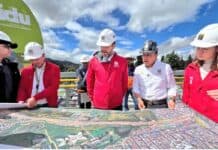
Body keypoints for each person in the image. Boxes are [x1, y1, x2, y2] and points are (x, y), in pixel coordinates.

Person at [182, 23, 218, 122]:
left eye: (205, 48)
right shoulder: (190, 69)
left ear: (216, 48)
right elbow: (185, 96)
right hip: (193, 122)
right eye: (198, 48)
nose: (200, 52)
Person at [86, 28, 128, 110]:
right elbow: (90, 82)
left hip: (116, 103)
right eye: (102, 46)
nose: (103, 49)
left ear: (114, 45)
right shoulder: (93, 61)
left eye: (106, 46)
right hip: (98, 103)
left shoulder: (122, 62)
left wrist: (118, 97)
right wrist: (92, 99)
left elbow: (124, 82)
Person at [133, 40, 177, 109]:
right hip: (143, 104)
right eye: (143, 54)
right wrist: (139, 99)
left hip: (160, 105)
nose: (145, 57)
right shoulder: (138, 69)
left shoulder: (165, 67)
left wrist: (171, 99)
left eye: (148, 54)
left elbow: (172, 86)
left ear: (156, 54)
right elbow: (136, 87)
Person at [17, 42, 60, 108]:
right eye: (31, 60)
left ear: (43, 56)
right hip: (30, 105)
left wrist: (35, 98)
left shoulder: (54, 68)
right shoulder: (25, 71)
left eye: (36, 59)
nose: (34, 62)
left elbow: (53, 87)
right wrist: (21, 100)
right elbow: (22, 88)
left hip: (49, 105)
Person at [0, 31, 20, 102]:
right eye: (7, 46)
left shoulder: (12, 67)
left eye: (10, 47)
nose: (10, 49)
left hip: (11, 110)